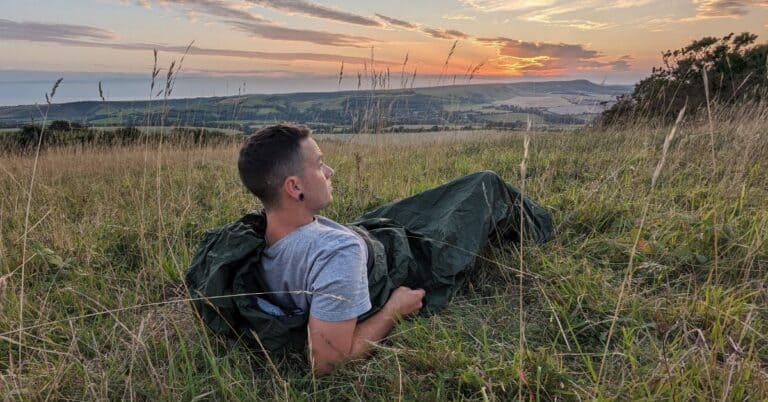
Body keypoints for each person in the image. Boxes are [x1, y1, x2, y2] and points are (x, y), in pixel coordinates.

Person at [186, 124, 553, 375]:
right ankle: (541, 227)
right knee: (484, 185)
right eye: (319, 165)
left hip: (369, 233)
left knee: (446, 195)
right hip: (399, 254)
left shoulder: (265, 227)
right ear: (294, 186)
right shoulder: (337, 253)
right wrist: (394, 310)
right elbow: (326, 361)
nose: (329, 171)